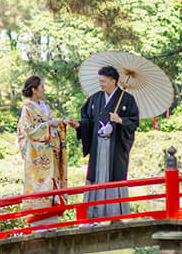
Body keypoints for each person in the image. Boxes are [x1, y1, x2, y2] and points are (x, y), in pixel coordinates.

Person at [77, 65, 139, 220]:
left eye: (104, 81)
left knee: (114, 176)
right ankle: (94, 214)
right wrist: (80, 125)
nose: (101, 84)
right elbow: (87, 119)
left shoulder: (127, 99)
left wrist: (120, 120)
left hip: (115, 146)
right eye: (100, 81)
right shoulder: (95, 98)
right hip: (98, 145)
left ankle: (114, 215)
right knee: (96, 175)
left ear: (113, 81)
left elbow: (134, 122)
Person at [17, 76, 77, 225]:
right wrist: (50, 124)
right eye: (42, 87)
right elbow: (29, 131)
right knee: (40, 186)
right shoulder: (27, 109)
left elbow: (52, 124)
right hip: (37, 156)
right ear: (34, 89)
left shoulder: (44, 105)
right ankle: (39, 224)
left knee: (53, 183)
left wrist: (61, 123)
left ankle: (52, 222)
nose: (44, 89)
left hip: (51, 153)